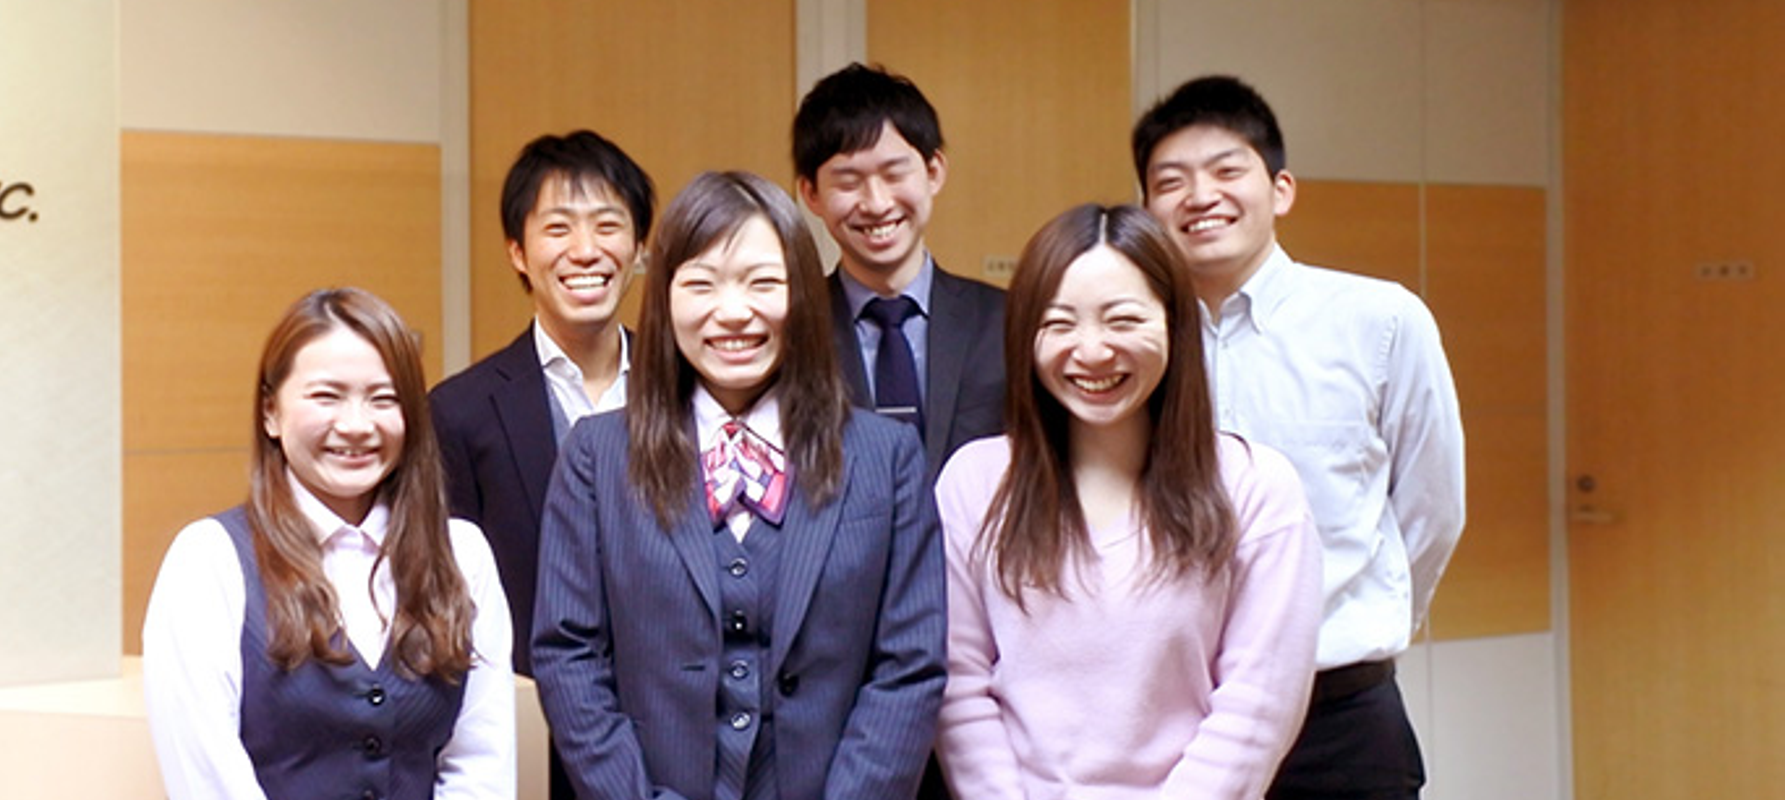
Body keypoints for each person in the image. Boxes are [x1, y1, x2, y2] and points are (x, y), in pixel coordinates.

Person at [532, 171, 946, 800]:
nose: (732, 311)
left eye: (763, 283)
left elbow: (909, 666)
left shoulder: (886, 458)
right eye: (701, 284)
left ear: (802, 295)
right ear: (665, 299)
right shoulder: (596, 456)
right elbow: (569, 656)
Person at [1131, 75, 1467, 800]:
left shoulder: (1380, 321)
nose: (1200, 196)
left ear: (1280, 189)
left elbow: (1432, 509)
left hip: (1341, 714)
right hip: (1179, 715)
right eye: (1171, 182)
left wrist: (1359, 617)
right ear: (1148, 210)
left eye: (1226, 170)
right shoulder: (1132, 339)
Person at [934, 203, 1322, 799]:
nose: (1091, 351)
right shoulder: (975, 483)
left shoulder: (1255, 488)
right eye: (1059, 324)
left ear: (1174, 324)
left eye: (1123, 320)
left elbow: (1257, 704)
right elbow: (959, 689)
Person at [143, 288, 515, 800]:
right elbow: (207, 779)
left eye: (383, 399)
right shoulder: (208, 561)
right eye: (326, 396)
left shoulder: (462, 554)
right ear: (270, 412)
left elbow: (481, 765)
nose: (357, 425)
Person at [433, 130, 656, 678]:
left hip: (676, 706)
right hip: (528, 704)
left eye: (607, 225)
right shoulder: (459, 412)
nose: (585, 250)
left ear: (639, 246)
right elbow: (446, 594)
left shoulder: (685, 390)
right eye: (558, 228)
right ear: (518, 252)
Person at [792, 63, 1008, 481]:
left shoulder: (1005, 322)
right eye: (848, 182)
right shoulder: (792, 329)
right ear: (811, 193)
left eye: (894, 175)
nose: (876, 203)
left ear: (934, 172)